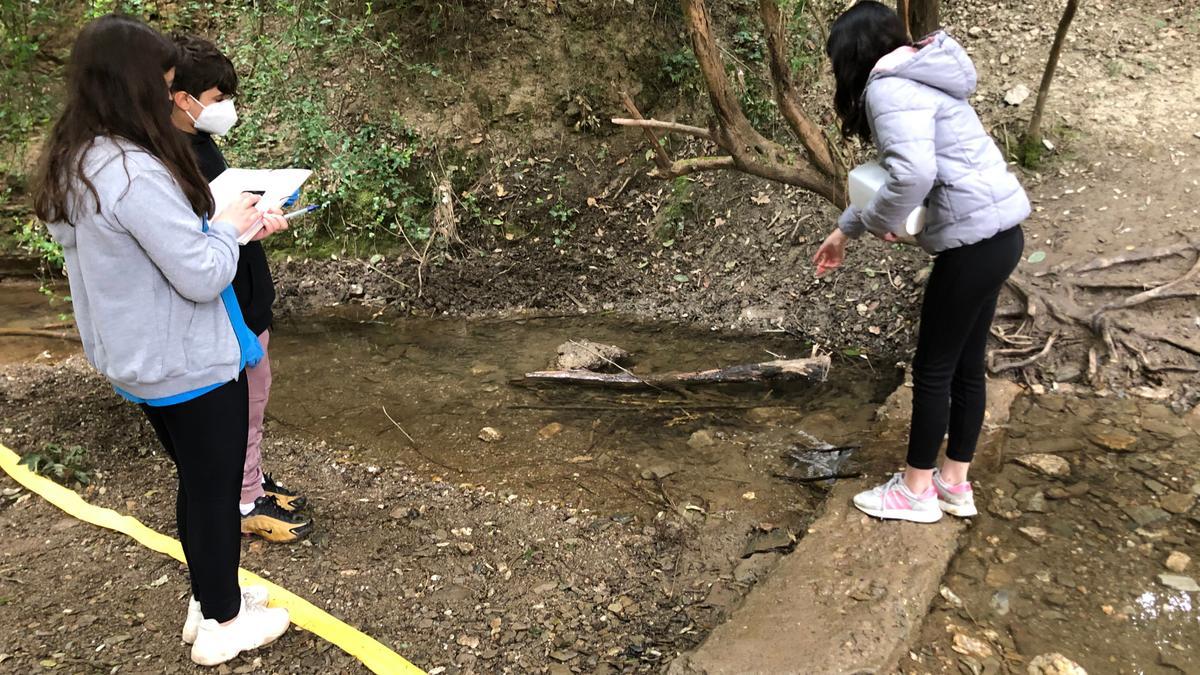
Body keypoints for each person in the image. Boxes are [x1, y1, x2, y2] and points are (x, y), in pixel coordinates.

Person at [33, 14, 292, 665]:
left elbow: (146, 253)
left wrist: (219, 227)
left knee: (197, 482)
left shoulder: (77, 159)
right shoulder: (131, 170)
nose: (170, 95)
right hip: (186, 362)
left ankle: (210, 598)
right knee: (212, 488)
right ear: (130, 85)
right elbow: (203, 275)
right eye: (166, 83)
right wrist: (228, 228)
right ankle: (223, 625)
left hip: (139, 357)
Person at [813, 2, 1030, 523]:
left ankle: (914, 492)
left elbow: (910, 175)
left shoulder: (887, 89)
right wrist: (844, 229)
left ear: (852, 54)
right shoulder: (923, 77)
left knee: (933, 369)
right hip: (1002, 236)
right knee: (964, 367)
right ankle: (954, 483)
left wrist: (878, 223)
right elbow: (891, 176)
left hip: (972, 245)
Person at [169, 34, 312, 544]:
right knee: (246, 401)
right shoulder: (166, 156)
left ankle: (247, 480)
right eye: (217, 98)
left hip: (247, 291)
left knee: (256, 393)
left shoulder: (198, 141)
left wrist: (256, 216)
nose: (225, 108)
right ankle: (246, 500)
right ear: (181, 97)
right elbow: (190, 242)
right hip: (228, 306)